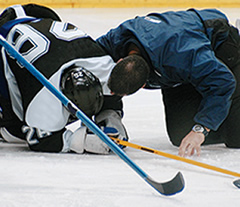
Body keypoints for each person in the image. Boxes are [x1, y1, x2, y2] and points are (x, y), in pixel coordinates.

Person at [96, 8, 240, 157]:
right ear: (119, 60)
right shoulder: (116, 40)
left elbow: (224, 82)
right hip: (179, 60)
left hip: (221, 48)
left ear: (144, 84)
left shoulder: (185, 55)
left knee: (235, 135)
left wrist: (201, 129)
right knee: (181, 134)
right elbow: (87, 51)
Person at [0, 4, 128, 154]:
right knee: (13, 131)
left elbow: (113, 89)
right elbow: (39, 140)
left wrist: (112, 117)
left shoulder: (101, 62)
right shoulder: (45, 94)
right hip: (15, 44)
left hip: (28, 26)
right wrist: (81, 142)